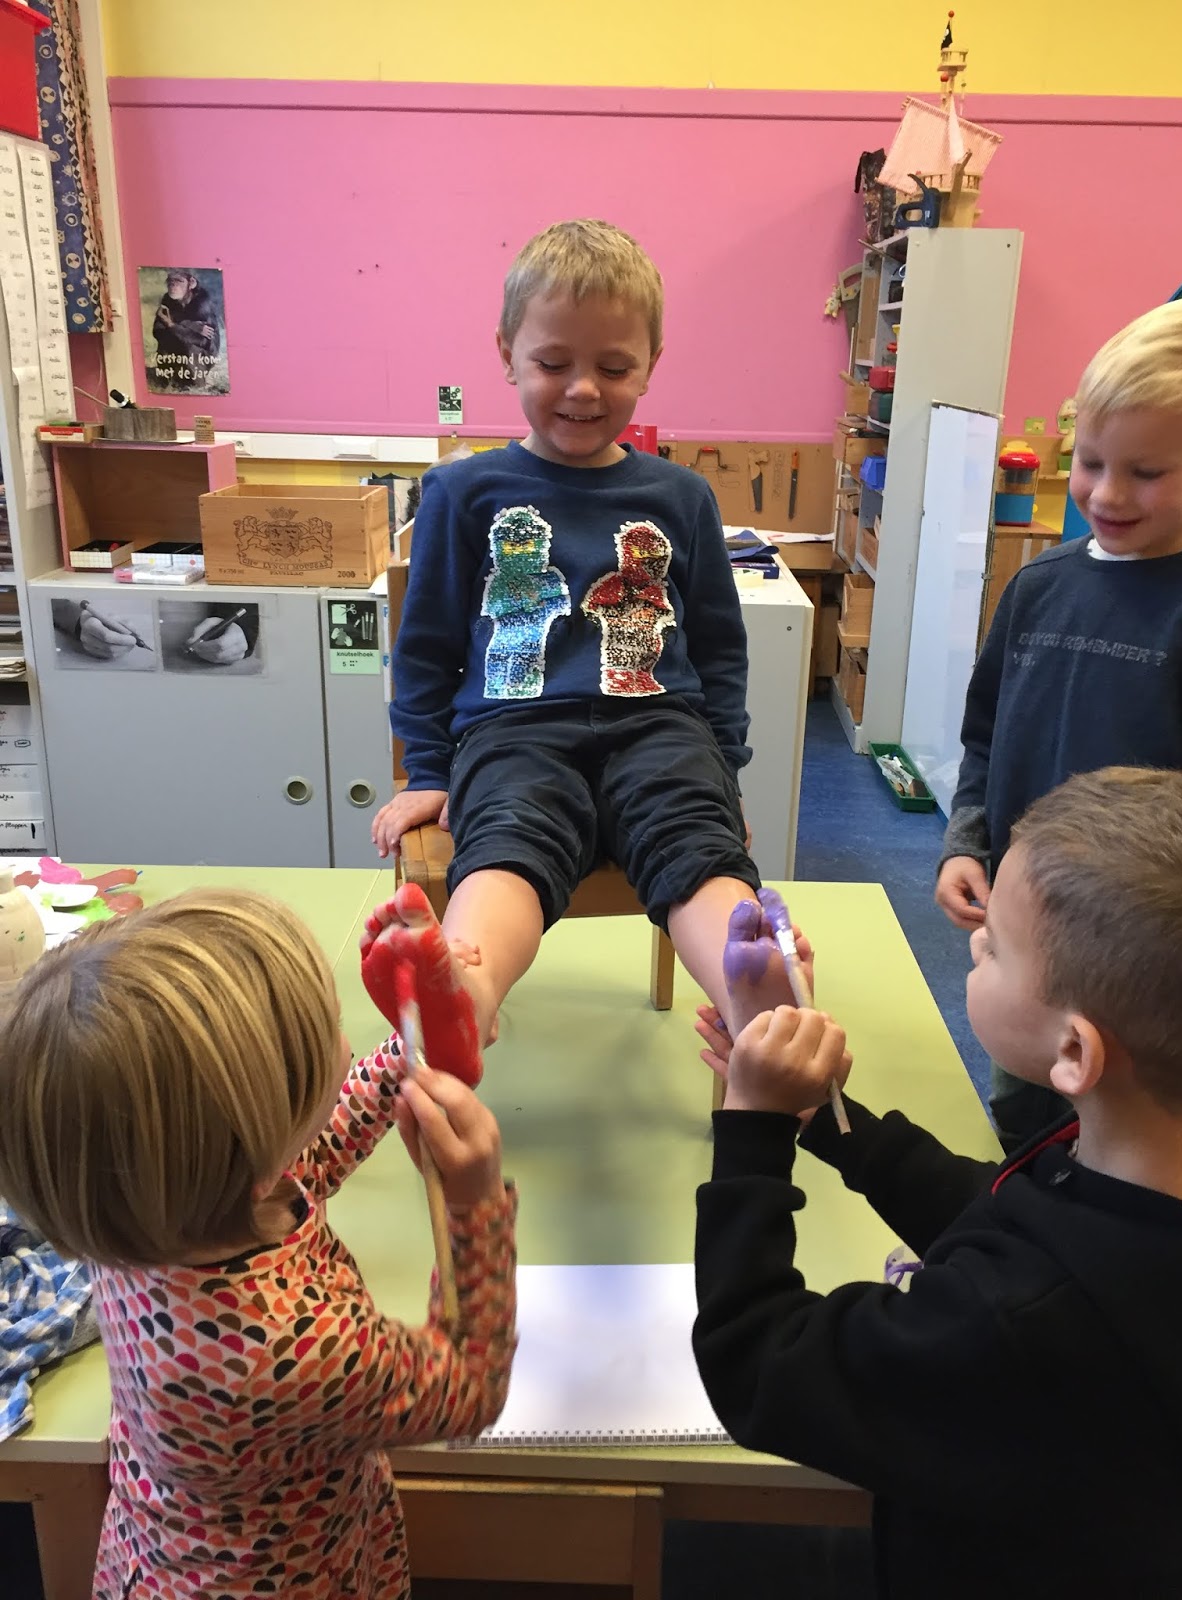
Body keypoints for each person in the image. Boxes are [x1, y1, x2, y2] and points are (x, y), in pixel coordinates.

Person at [692, 765, 1182, 1599]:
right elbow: (1009, 1210)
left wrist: (753, 1130)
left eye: (995, 945)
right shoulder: (1141, 1167)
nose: (972, 944)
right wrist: (826, 1117)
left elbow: (757, 1363)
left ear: (1075, 1052)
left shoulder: (1014, 1324)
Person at [0, 886, 517, 1599]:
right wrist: (474, 1208)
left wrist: (412, 1051)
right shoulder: (297, 1345)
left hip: (159, 1553)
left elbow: (306, 1159)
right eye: (329, 1029)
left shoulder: (139, 1206)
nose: (340, 1031)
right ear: (259, 1140)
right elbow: (469, 1389)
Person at [372, 218, 793, 1077]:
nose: (583, 390)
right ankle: (468, 990)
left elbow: (719, 648)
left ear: (652, 364)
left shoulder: (683, 495)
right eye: (553, 363)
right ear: (507, 353)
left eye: (614, 367)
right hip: (514, 728)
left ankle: (751, 993)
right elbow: (426, 648)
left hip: (661, 724)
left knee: (692, 834)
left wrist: (725, 768)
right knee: (511, 835)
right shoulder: (462, 491)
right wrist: (428, 771)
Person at [935, 296, 1182, 1149]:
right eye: (1089, 462)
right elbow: (986, 737)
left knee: (1133, 1136)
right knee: (1023, 1113)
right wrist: (966, 844)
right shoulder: (1038, 587)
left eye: (1146, 472)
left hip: (1146, 956)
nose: (1106, 493)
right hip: (1028, 934)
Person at [152, 269, 219, 389]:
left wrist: (171, 325)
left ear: (191, 283)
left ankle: (198, 385)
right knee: (164, 344)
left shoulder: (201, 303)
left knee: (190, 346)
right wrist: (188, 325)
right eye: (170, 281)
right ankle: (166, 381)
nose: (173, 285)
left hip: (204, 353)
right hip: (179, 348)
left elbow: (203, 341)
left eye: (179, 281)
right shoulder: (167, 300)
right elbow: (157, 331)